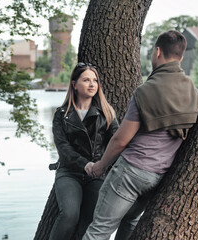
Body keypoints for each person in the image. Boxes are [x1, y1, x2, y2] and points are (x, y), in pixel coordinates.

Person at [82, 30, 198, 240]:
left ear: (157, 52)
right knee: (130, 222)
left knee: (98, 231)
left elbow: (121, 140)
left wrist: (99, 166)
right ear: (181, 57)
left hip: (130, 173)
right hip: (160, 177)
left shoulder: (145, 91)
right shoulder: (195, 93)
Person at [49, 62, 119, 240]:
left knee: (91, 221)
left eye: (95, 80)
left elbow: (117, 142)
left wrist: (101, 165)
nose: (92, 84)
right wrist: (85, 164)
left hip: (97, 175)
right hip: (69, 172)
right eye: (86, 80)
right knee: (69, 215)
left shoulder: (106, 113)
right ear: (74, 84)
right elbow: (63, 148)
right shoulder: (61, 115)